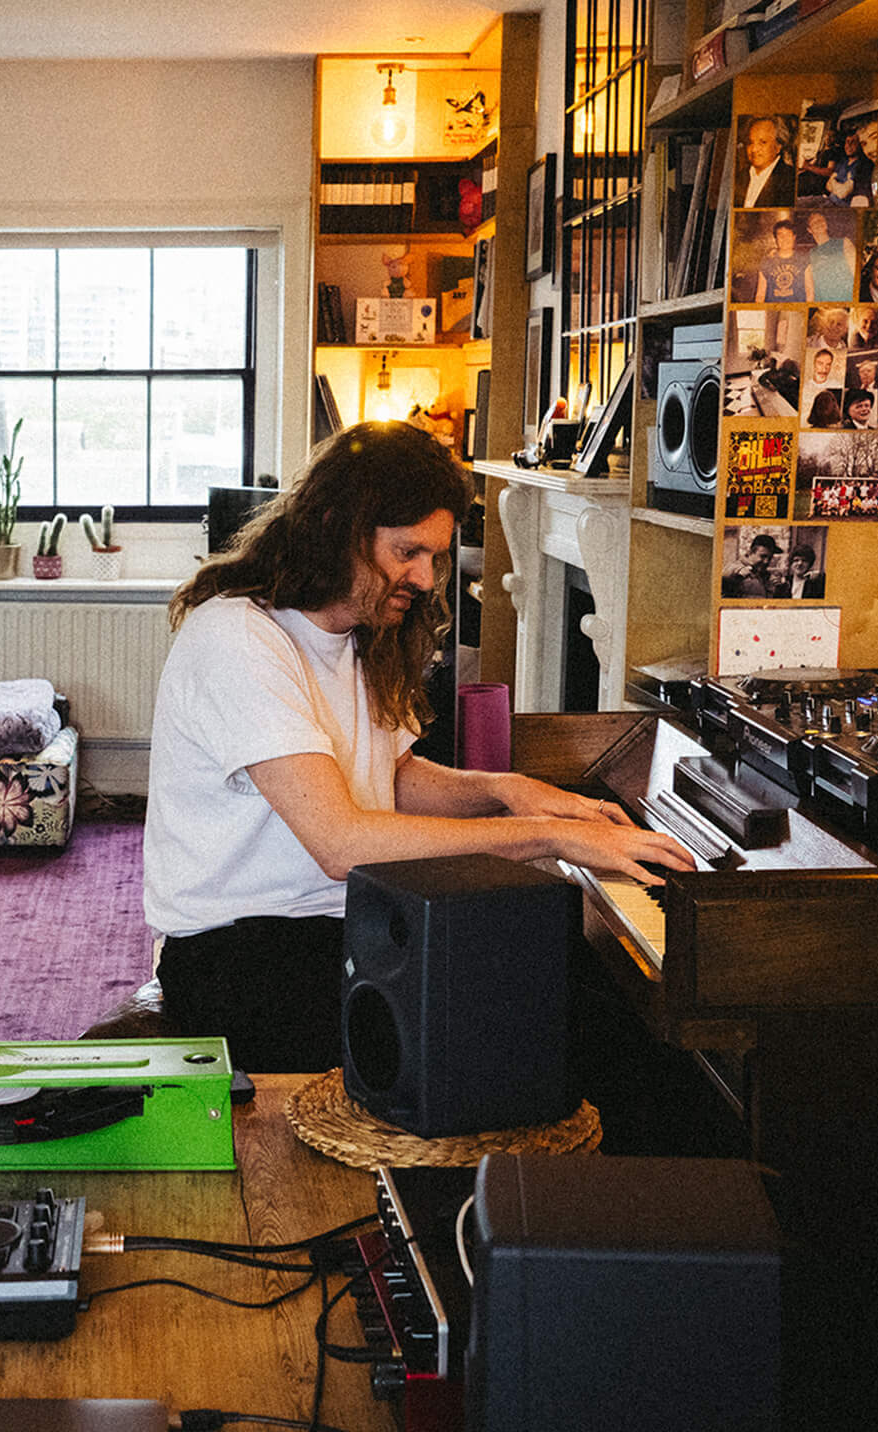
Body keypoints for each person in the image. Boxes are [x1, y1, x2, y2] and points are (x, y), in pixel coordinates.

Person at [142, 423, 696, 1071]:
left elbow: (394, 780)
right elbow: (341, 844)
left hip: (341, 923)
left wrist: (509, 792)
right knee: (562, 1028)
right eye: (408, 552)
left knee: (575, 970)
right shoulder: (241, 639)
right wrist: (548, 836)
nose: (427, 578)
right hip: (242, 957)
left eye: (434, 556)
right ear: (336, 526)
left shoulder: (354, 635)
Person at [739, 117, 796, 208]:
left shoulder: (790, 179)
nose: (754, 149)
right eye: (750, 142)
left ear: (778, 146)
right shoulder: (739, 177)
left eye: (763, 142)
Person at [754, 219, 812, 303]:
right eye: (780, 235)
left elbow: (809, 291)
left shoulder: (804, 259)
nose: (784, 238)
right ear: (776, 239)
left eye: (788, 234)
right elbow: (760, 294)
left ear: (794, 237)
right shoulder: (766, 261)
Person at [804, 210, 854, 302]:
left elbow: (855, 272)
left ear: (826, 224)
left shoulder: (844, 243)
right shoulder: (811, 253)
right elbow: (810, 288)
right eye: (814, 222)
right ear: (809, 230)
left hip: (846, 299)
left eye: (821, 220)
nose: (818, 223)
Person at [722, 533, 782, 598]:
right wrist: (737, 570)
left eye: (770, 558)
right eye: (763, 556)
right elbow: (722, 577)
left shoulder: (764, 575)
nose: (766, 561)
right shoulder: (737, 567)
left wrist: (778, 588)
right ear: (750, 552)